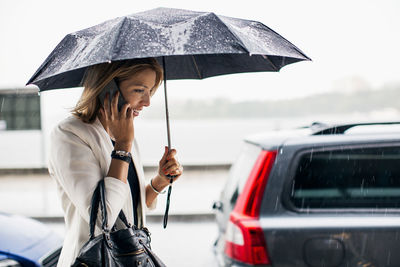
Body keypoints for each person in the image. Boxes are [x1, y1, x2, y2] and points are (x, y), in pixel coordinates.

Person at [48, 58, 183, 267]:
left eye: (150, 91)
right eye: (139, 90)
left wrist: (159, 182)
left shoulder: (124, 135)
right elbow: (104, 219)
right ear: (108, 87)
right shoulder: (69, 134)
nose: (147, 102)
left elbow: (127, 211)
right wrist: (122, 147)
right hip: (92, 261)